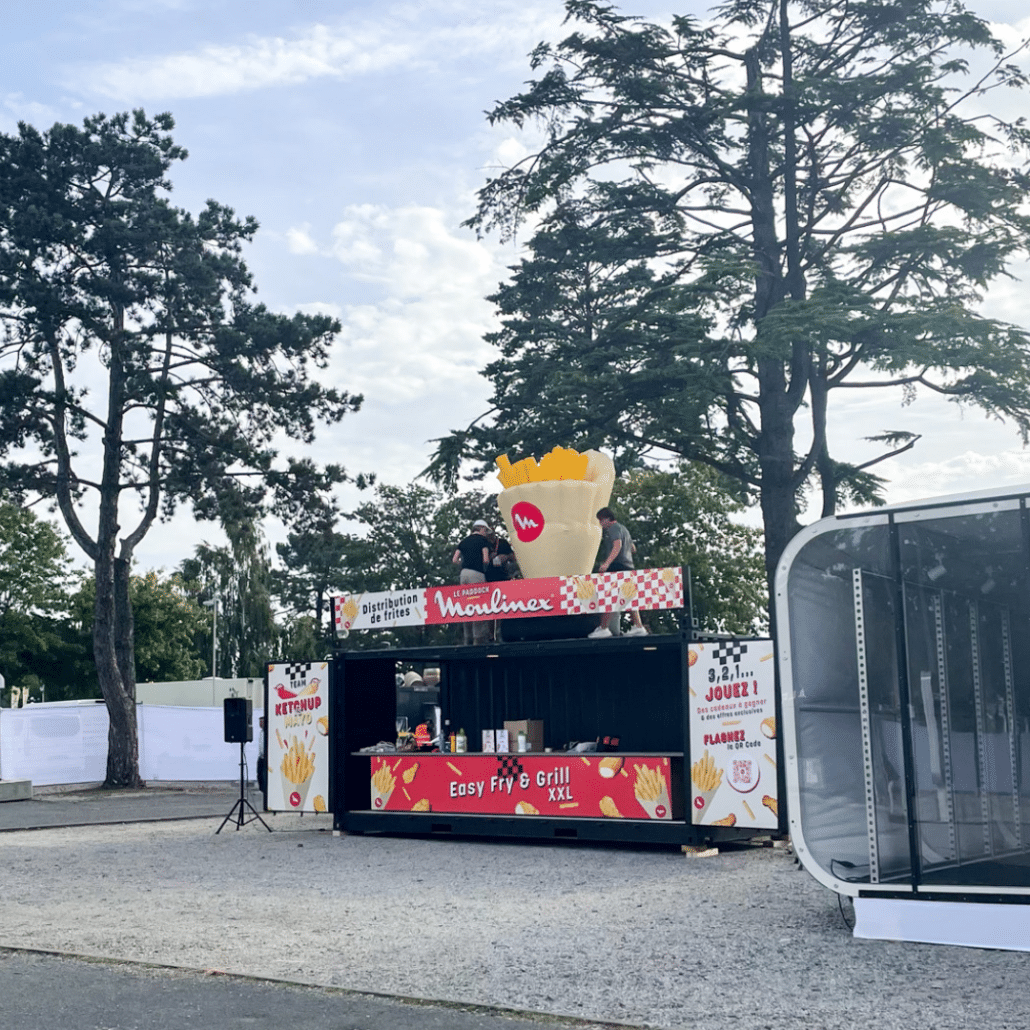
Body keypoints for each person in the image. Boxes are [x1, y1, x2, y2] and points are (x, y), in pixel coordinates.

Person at [588, 507, 647, 639]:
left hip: (617, 566)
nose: (600, 524)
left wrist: (606, 563)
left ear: (607, 519)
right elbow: (633, 548)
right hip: (628, 566)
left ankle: (603, 628)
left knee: (611, 596)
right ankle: (638, 626)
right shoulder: (624, 529)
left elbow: (617, 545)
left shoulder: (613, 529)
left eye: (600, 521)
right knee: (627, 596)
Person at [452, 519, 492, 644]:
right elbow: (485, 559)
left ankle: (466, 638)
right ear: (482, 529)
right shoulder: (483, 541)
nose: (486, 533)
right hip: (476, 573)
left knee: (466, 605)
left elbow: (454, 559)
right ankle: (477, 639)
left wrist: (463, 563)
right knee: (478, 604)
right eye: (486, 531)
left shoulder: (464, 541)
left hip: (464, 574)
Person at [257, 715, 267, 793]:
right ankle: (261, 788)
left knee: (264, 774)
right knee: (259, 773)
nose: (260, 723)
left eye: (262, 722)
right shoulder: (261, 732)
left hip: (266, 757)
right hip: (261, 756)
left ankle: (265, 789)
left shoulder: (268, 732)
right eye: (260, 722)